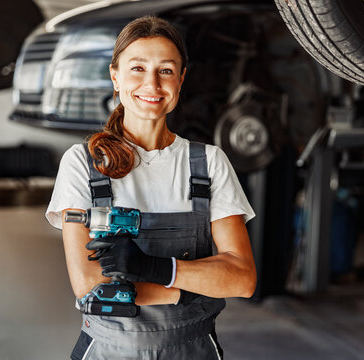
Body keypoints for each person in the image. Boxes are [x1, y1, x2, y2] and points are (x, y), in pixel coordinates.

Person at [46, 15, 256, 360]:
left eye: (166, 70)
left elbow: (242, 280)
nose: (153, 84)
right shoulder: (82, 164)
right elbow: (90, 288)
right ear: (115, 76)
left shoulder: (209, 163)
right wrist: (193, 289)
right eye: (138, 68)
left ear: (181, 79)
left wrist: (153, 269)